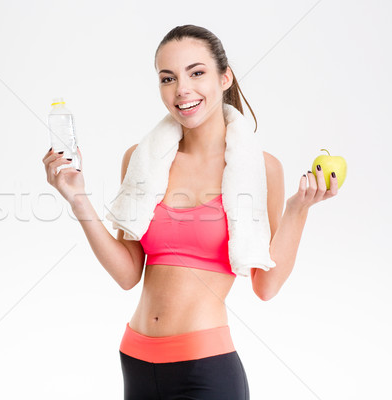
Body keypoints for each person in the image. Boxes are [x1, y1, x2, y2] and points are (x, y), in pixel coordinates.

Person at [42, 24, 339, 400]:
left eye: (196, 72)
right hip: (134, 359)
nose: (182, 89)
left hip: (205, 368)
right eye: (168, 78)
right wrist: (78, 199)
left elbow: (267, 286)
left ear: (224, 76)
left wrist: (298, 209)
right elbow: (128, 273)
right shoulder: (141, 160)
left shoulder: (262, 169)